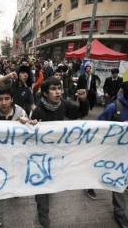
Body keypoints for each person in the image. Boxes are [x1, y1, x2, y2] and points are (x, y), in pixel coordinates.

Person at [30, 77, 89, 227]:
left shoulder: (65, 104)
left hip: (58, 153)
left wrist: (83, 100)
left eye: (59, 88)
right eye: (53, 89)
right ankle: (43, 213)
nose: (58, 92)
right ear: (44, 93)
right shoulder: (38, 111)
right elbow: (31, 136)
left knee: (51, 181)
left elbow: (81, 113)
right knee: (42, 186)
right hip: (42, 156)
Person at [0, 85, 37, 228]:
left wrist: (30, 123)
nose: (4, 103)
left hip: (17, 157)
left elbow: (30, 132)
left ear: (12, 99)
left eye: (7, 99)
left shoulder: (21, 112)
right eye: (0, 99)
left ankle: (15, 189)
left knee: (15, 178)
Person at [96, 80, 128, 228]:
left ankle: (119, 212)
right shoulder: (114, 107)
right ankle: (90, 185)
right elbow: (97, 127)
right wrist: (117, 128)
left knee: (119, 181)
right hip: (110, 152)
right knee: (98, 173)